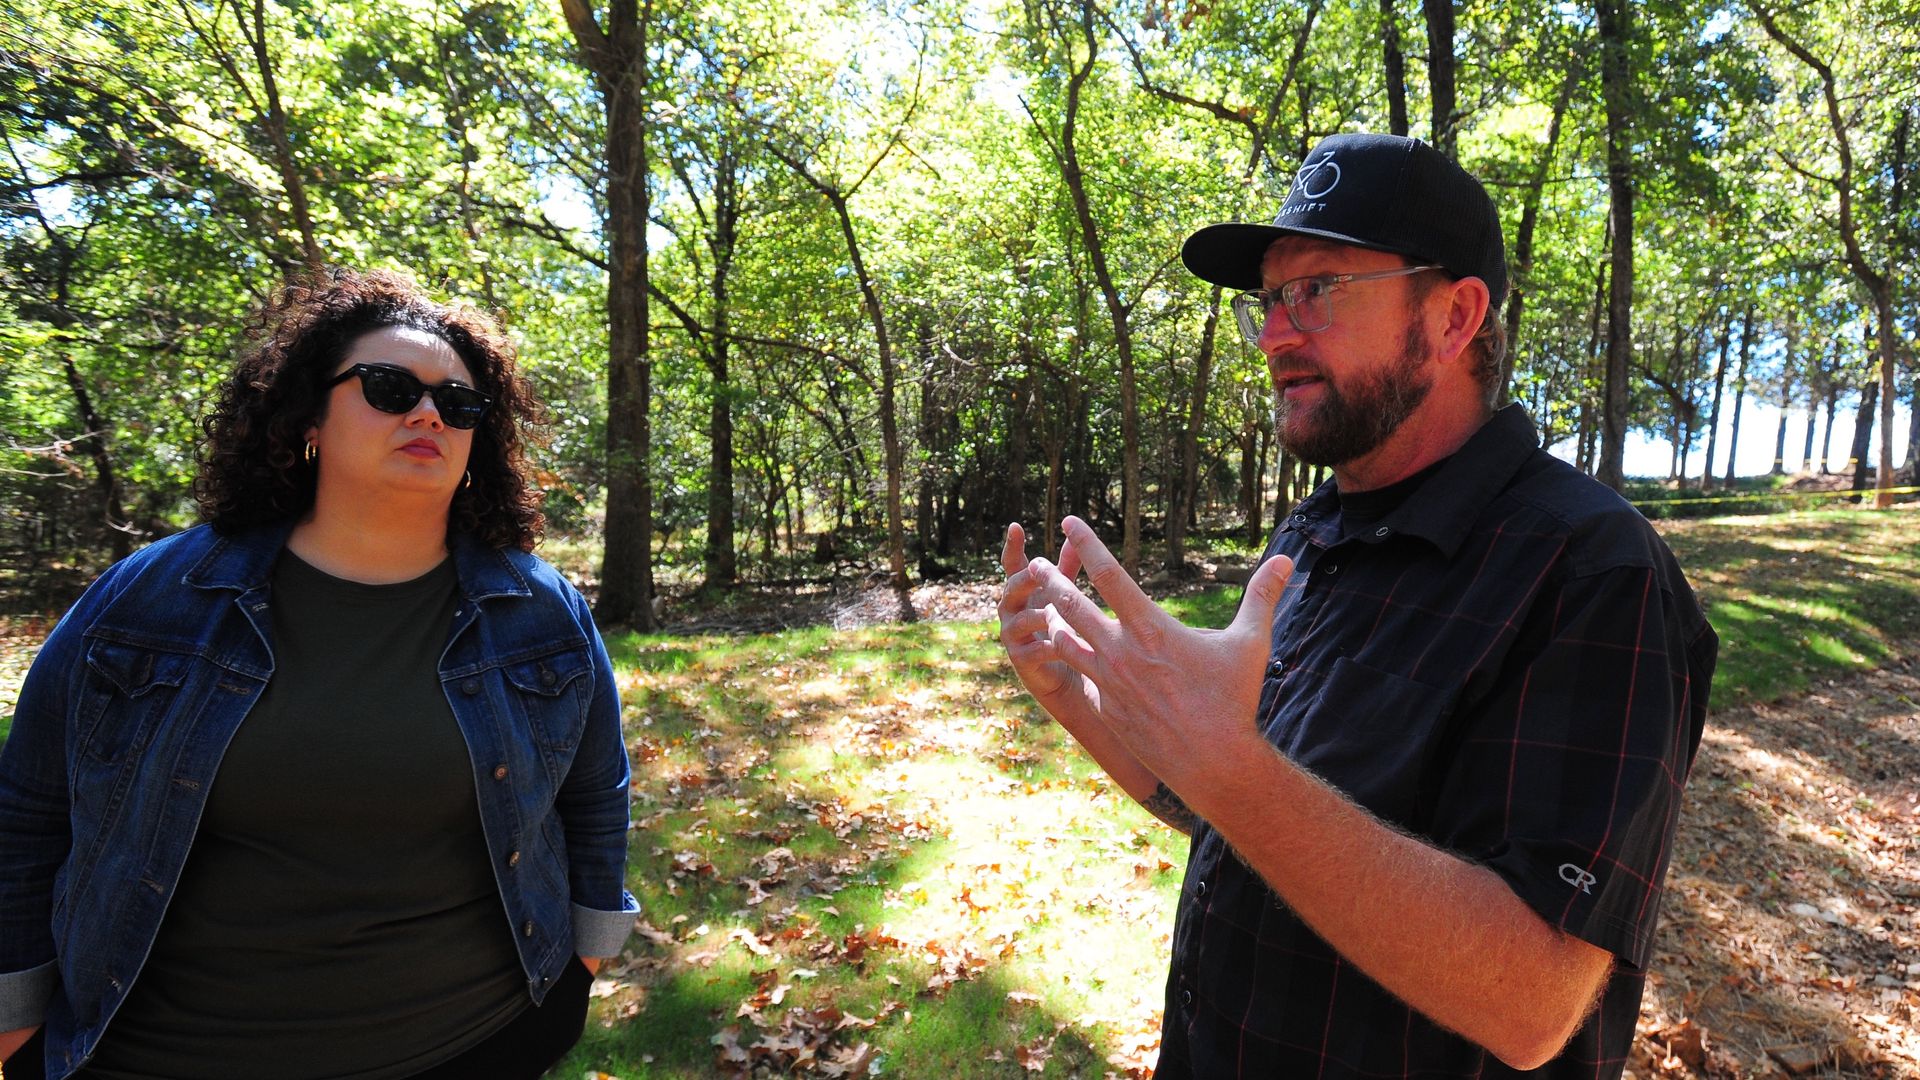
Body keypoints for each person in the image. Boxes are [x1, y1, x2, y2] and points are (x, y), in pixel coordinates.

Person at [997, 133, 1717, 1078]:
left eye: (1320, 289)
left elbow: (1536, 999)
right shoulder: (1314, 531)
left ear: (1456, 317)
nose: (1275, 334)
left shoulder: (1593, 571)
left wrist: (1233, 771)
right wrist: (1076, 690)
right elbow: (1238, 808)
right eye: (1270, 299)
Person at [0, 269, 636, 1079]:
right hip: (160, 1052)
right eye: (389, 387)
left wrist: (583, 964)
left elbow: (593, 794)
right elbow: (27, 808)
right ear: (308, 417)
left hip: (474, 1040)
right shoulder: (152, 601)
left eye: (459, 403)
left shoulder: (538, 610)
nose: (429, 412)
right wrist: (14, 1015)